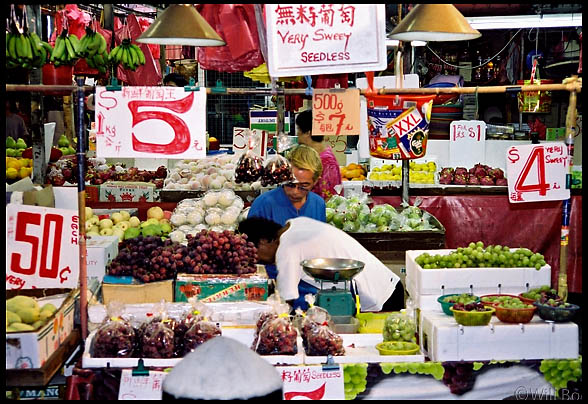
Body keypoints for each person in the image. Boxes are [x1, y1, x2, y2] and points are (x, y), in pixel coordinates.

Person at [238, 216, 405, 312]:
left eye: (254, 253)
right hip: (388, 283)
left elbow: (285, 302)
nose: (256, 259)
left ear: (264, 241)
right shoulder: (296, 224)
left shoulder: (287, 248)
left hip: (382, 297)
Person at [247, 144, 326, 227]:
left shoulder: (318, 204)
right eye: (290, 184)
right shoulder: (263, 204)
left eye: (304, 186)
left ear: (316, 181)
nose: (295, 192)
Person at [295, 109, 342, 201]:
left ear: (308, 132)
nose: (297, 133)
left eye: (299, 129)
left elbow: (328, 197)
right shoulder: (315, 156)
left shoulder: (326, 162)